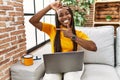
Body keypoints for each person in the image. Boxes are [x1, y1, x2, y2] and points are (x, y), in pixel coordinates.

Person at [29, 1, 97, 80]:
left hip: (73, 64)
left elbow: (93, 48)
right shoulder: (52, 29)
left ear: (71, 15)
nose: (65, 17)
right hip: (56, 64)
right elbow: (33, 21)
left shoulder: (78, 33)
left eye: (67, 13)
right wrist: (49, 6)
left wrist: (72, 36)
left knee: (71, 78)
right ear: (57, 18)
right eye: (61, 15)